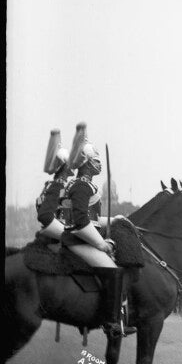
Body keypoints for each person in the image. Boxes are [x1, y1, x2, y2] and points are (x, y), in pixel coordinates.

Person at [60, 122, 134, 337]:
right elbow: (81, 222)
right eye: (95, 161)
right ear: (86, 163)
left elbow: (92, 219)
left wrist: (115, 218)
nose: (99, 165)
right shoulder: (82, 186)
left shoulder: (83, 185)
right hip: (77, 238)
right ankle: (111, 322)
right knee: (114, 271)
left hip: (80, 234)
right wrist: (101, 244)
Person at [35, 129, 73, 241]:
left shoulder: (50, 185)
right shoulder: (58, 186)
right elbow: (47, 215)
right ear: (65, 166)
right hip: (58, 237)